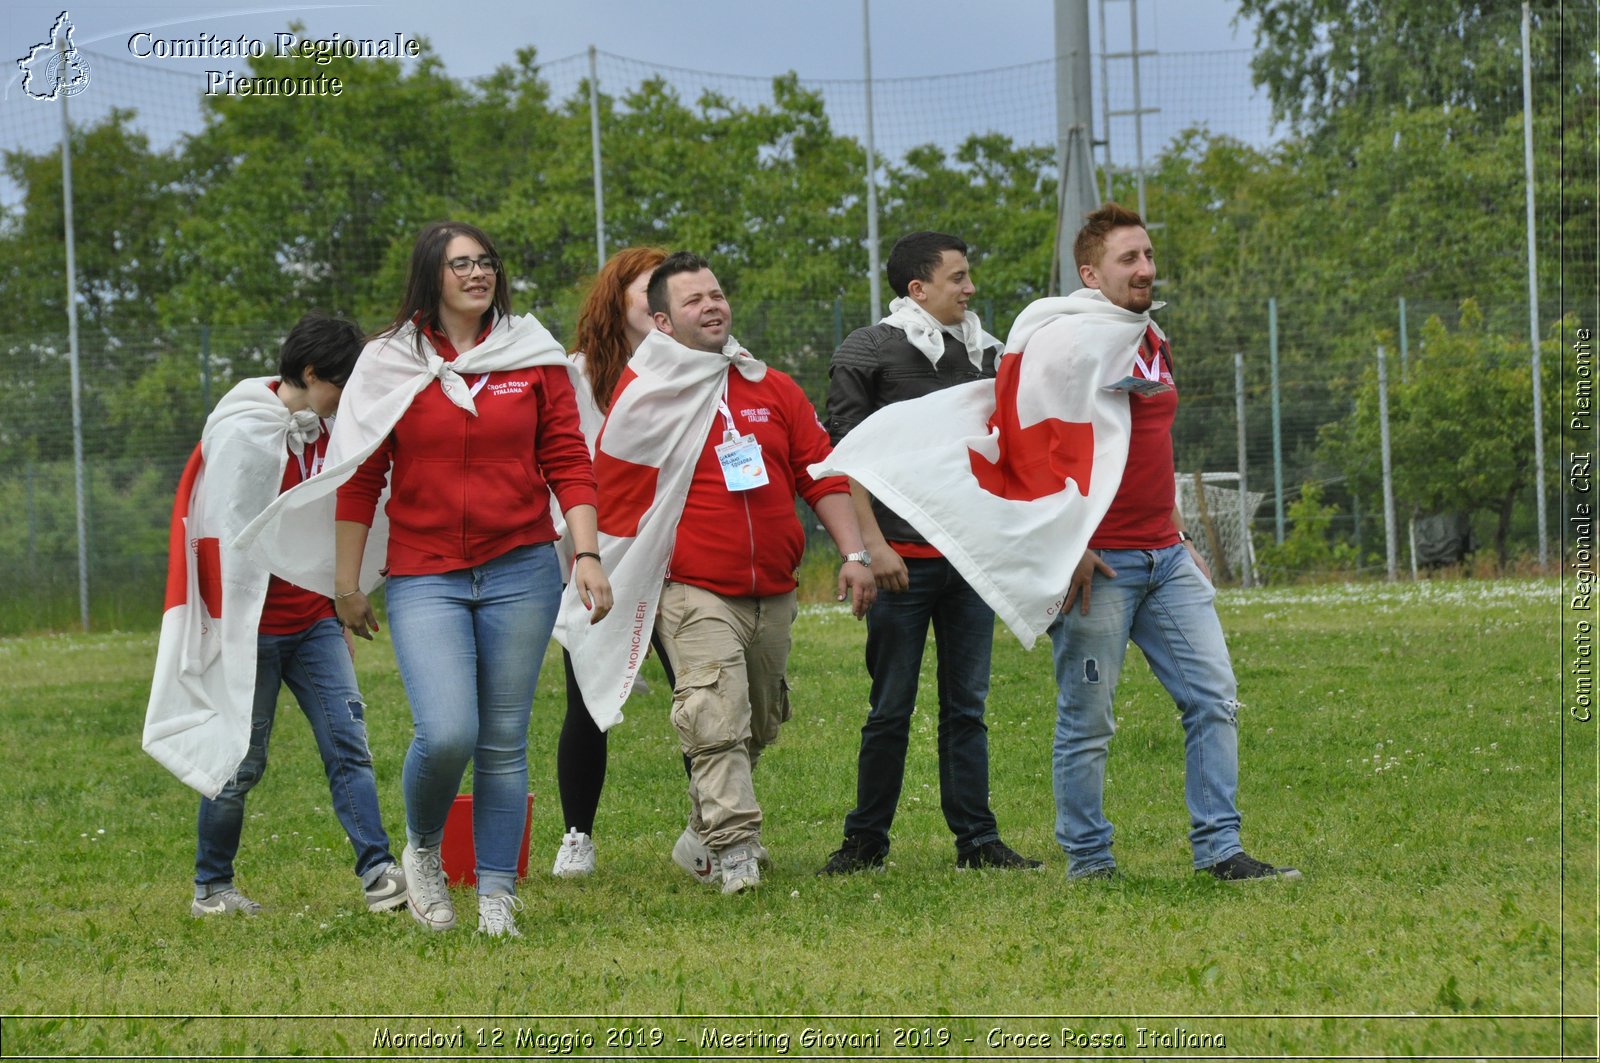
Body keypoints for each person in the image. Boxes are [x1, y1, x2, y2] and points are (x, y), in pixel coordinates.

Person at [331, 221, 613, 936]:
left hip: (520, 564)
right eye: (461, 264)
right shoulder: (389, 360)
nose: (477, 273)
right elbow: (360, 476)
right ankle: (423, 849)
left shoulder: (532, 351)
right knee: (449, 729)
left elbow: (568, 461)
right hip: (425, 572)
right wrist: (346, 583)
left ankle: (494, 895)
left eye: (485, 261)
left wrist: (587, 554)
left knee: (503, 738)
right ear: (432, 275)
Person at [1050, 202, 1299, 882]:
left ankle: (1221, 850)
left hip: (1166, 558)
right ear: (1089, 272)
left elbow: (1151, 445)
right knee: (1089, 719)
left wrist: (1178, 528)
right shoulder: (1067, 343)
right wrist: (1065, 544)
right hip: (1097, 565)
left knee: (1214, 698)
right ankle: (1089, 861)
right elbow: (1033, 448)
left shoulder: (1150, 335)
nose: (1145, 269)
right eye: (1128, 259)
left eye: (1149, 256)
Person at [146, 313, 407, 918]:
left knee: (349, 746)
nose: (349, 401)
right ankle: (212, 887)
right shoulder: (243, 429)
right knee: (241, 758)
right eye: (342, 386)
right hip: (251, 629)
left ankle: (379, 873)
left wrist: (343, 591)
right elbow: (226, 532)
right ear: (312, 374)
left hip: (314, 621)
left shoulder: (334, 430)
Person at [643, 251, 876, 894]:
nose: (712, 306)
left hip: (773, 590)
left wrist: (855, 555)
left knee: (760, 721)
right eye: (693, 301)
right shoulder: (651, 398)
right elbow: (617, 490)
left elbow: (821, 476)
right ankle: (736, 849)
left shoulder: (772, 387)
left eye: (716, 294)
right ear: (662, 322)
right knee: (715, 714)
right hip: (694, 588)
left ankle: (699, 836)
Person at [818, 231, 1042, 875]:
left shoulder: (990, 355)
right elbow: (850, 455)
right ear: (917, 289)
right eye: (958, 278)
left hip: (970, 560)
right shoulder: (869, 351)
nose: (971, 289)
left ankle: (977, 840)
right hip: (899, 564)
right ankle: (865, 841)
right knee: (890, 708)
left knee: (967, 708)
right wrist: (871, 547)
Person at [549, 246, 677, 879]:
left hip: (677, 557)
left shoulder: (690, 372)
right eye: (646, 288)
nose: (658, 300)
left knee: (700, 696)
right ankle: (577, 836)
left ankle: (715, 825)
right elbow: (559, 468)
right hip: (598, 556)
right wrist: (580, 551)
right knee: (587, 700)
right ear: (617, 300)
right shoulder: (574, 376)